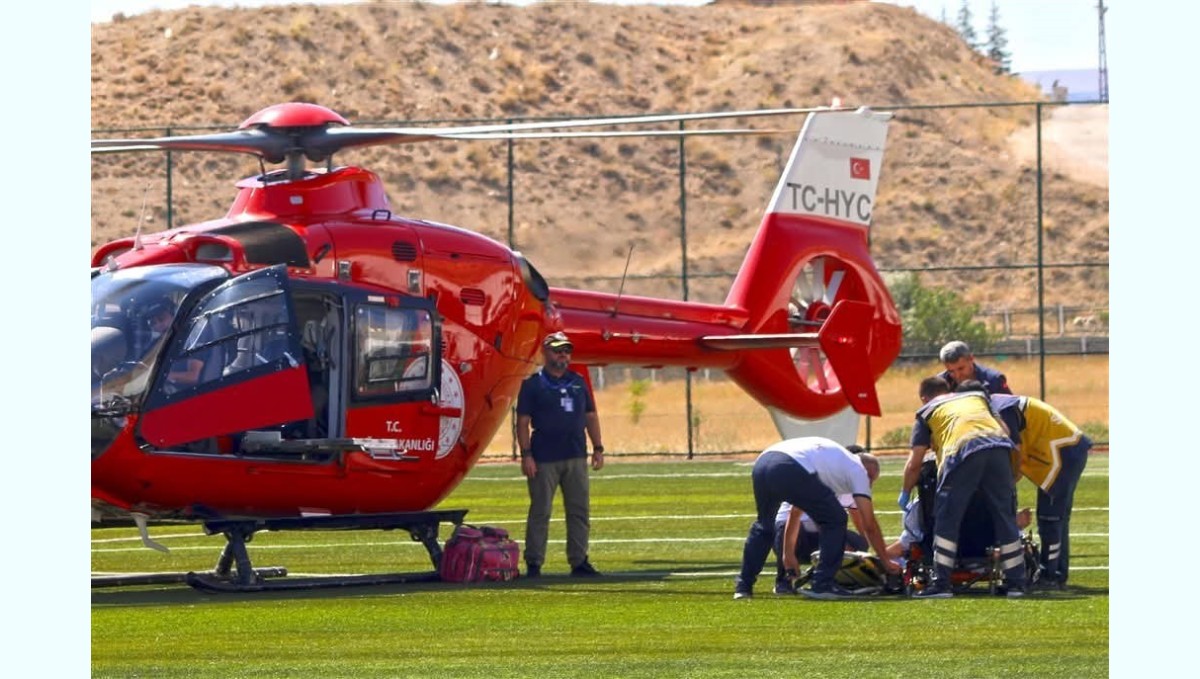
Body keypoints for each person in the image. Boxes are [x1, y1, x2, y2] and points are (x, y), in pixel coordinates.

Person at [901, 376, 1026, 598]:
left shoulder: (927, 411)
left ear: (924, 398)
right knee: (1005, 516)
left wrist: (905, 491)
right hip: (998, 448)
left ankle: (941, 584)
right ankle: (1016, 584)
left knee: (947, 517)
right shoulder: (977, 397)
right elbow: (1005, 430)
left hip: (962, 451)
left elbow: (915, 462)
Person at [733, 437, 899, 600]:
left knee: (765, 525)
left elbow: (796, 510)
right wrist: (885, 560)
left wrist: (788, 553)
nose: (868, 486)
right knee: (836, 518)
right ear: (867, 471)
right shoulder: (859, 471)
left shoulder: (836, 465)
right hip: (792, 465)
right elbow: (869, 524)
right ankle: (823, 584)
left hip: (763, 461)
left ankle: (743, 586)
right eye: (870, 480)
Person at [516, 331, 605, 578]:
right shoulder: (533, 385)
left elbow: (590, 416)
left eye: (566, 350)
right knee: (541, 511)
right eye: (557, 350)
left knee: (579, 510)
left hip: (575, 455)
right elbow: (522, 422)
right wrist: (526, 455)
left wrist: (598, 447)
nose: (563, 355)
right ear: (546, 353)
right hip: (544, 458)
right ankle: (534, 562)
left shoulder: (578, 382)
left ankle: (579, 560)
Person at [990, 392, 1092, 588]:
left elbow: (1016, 449)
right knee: (1057, 519)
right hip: (1064, 449)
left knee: (1050, 518)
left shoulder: (999, 408)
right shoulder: (1001, 404)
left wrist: (1007, 484)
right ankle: (1057, 573)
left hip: (1062, 451)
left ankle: (1049, 575)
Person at [147, 298, 203, 386]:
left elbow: (192, 377)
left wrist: (159, 377)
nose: (158, 325)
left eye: (161, 319)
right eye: (153, 323)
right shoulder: (157, 342)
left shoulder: (194, 337)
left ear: (175, 316)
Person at [937, 340, 1011, 395]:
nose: (957, 375)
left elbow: (1010, 408)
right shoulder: (939, 384)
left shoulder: (994, 380)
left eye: (961, 368)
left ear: (971, 359)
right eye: (951, 371)